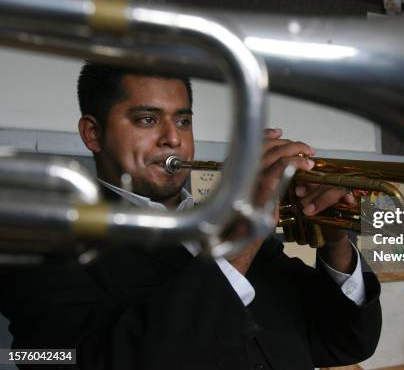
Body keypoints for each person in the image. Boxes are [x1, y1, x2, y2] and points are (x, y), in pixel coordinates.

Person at [0, 62, 382, 369]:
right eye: (147, 119)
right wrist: (241, 234)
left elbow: (343, 343)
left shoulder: (231, 230)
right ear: (93, 134)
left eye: (183, 120)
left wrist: (336, 243)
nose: (173, 138)